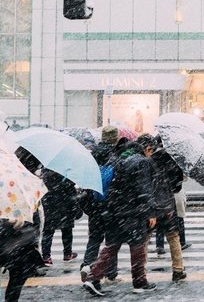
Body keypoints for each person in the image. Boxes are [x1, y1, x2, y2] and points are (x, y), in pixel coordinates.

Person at [82, 141, 158, 296]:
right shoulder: (141, 163)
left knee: (111, 247)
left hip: (115, 211)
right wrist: (151, 211)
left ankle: (93, 277)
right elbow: (144, 188)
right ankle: (140, 282)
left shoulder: (117, 162)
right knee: (137, 248)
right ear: (143, 150)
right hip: (133, 212)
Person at [138, 135, 187, 282]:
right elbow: (177, 183)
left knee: (145, 239)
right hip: (167, 203)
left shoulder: (146, 162)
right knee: (173, 237)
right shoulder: (172, 159)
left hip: (152, 204)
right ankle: (178, 270)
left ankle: (141, 272)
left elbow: (144, 185)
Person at [79, 126, 120, 283]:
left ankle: (87, 264)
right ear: (115, 138)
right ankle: (111, 273)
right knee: (111, 241)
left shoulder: (92, 155)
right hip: (110, 205)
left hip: (94, 204)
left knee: (94, 238)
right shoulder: (115, 155)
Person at [39, 169, 80, 266]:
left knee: (48, 232)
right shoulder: (67, 175)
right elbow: (72, 195)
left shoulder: (45, 175)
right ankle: (67, 253)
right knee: (67, 231)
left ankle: (46, 256)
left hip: (49, 208)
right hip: (65, 208)